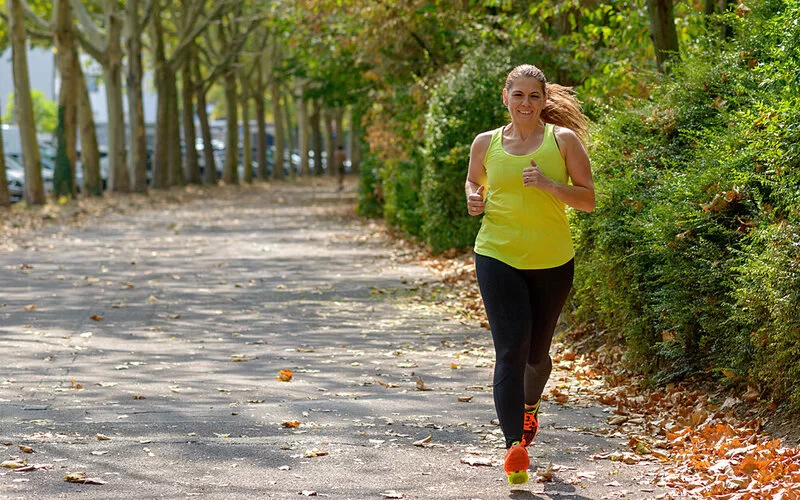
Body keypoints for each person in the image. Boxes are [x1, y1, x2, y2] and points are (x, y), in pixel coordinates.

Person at [464, 64, 595, 485]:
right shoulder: (486, 143)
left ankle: (530, 406)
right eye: (518, 95)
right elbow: (473, 181)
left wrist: (550, 186)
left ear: (545, 101)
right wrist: (473, 197)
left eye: (534, 96)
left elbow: (588, 199)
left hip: (552, 260)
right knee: (511, 349)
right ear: (506, 97)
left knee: (537, 355)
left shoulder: (563, 141)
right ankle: (513, 450)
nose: (526, 103)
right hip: (496, 254)